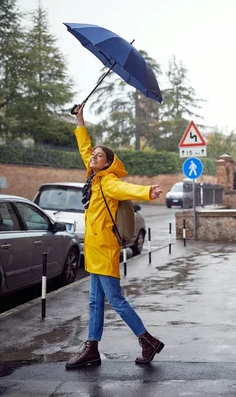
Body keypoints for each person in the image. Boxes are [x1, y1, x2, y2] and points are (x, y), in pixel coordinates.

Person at [65, 103, 164, 369]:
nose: (92, 157)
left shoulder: (107, 181)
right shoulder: (93, 178)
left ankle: (148, 340)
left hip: (105, 248)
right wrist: (80, 120)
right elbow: (85, 149)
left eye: (98, 156)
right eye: (93, 155)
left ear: (107, 163)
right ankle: (92, 348)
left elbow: (124, 187)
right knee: (95, 301)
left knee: (115, 300)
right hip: (94, 249)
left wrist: (147, 191)